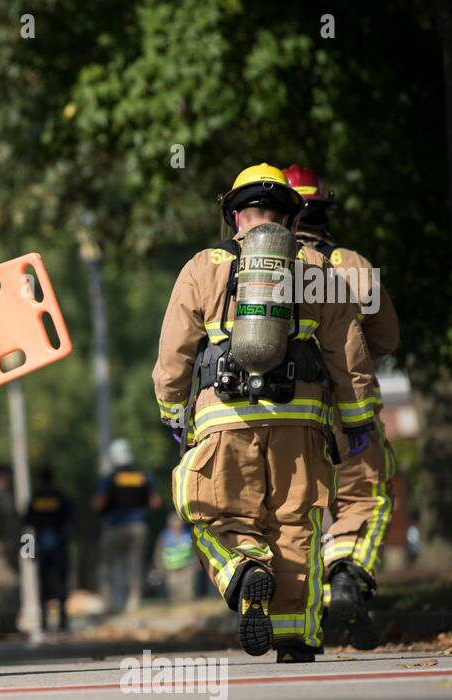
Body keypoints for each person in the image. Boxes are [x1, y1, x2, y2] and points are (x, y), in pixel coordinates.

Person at [152, 163, 376, 662]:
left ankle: (242, 571)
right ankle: (295, 636)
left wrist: (172, 408)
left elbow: (174, 353)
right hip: (301, 420)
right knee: (296, 523)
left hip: (224, 419)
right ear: (292, 221)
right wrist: (357, 418)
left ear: (235, 217)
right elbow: (348, 350)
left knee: (215, 513)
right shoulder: (317, 270)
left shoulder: (202, 267)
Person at [286, 163, 399, 650]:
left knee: (294, 512)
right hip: (347, 409)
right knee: (362, 500)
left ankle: (302, 622)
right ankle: (347, 577)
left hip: (286, 413)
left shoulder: (252, 265)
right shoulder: (351, 263)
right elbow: (387, 337)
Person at [93, 439, 160, 614]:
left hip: (115, 527)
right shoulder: (143, 475)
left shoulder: (110, 478)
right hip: (138, 526)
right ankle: (133, 603)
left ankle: (108, 603)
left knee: (107, 566)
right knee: (135, 565)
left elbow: (99, 503)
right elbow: (155, 502)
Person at [25, 467, 74, 631]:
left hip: (40, 546)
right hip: (59, 546)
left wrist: (29, 551)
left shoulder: (35, 498)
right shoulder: (61, 496)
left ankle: (44, 620)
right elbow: (70, 522)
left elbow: (27, 526)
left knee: (43, 584)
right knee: (61, 583)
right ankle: (63, 619)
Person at [0, 464, 24, 640]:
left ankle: (9, 626)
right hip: (0, 552)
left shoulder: (5, 496)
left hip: (8, 550)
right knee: (6, 588)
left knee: (9, 588)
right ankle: (6, 627)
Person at [155, 513, 198, 604]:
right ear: (169, 524)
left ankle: (187, 606)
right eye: (173, 523)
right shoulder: (164, 536)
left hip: (187, 567)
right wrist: (159, 564)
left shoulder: (188, 534)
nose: (176, 525)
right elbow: (159, 551)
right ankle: (176, 606)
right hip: (170, 568)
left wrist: (196, 563)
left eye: (178, 523)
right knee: (173, 588)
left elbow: (195, 550)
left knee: (187, 589)